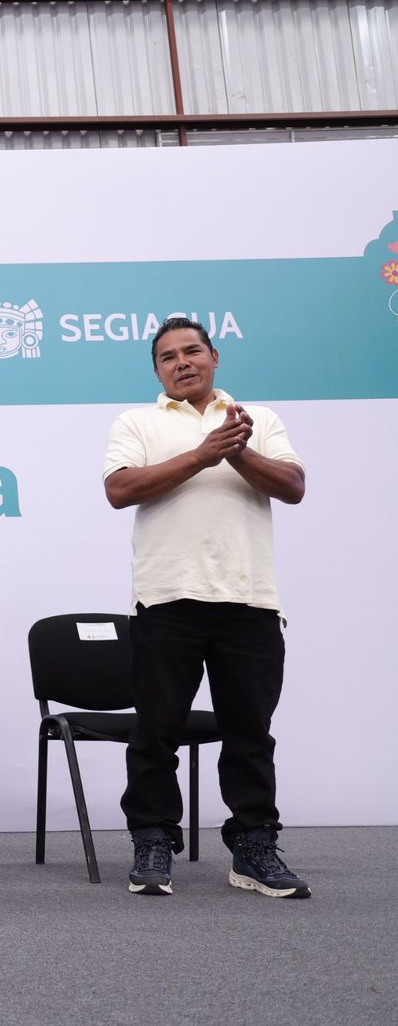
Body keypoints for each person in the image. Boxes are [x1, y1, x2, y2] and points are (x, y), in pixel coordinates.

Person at [104, 316, 310, 898]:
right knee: (156, 731)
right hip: (166, 599)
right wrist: (202, 454)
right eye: (167, 356)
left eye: (192, 351)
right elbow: (119, 490)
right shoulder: (137, 422)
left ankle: (254, 847)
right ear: (157, 371)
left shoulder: (254, 419)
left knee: (250, 734)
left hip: (250, 600)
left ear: (214, 357)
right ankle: (152, 841)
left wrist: (234, 450)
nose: (182, 362)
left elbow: (293, 486)